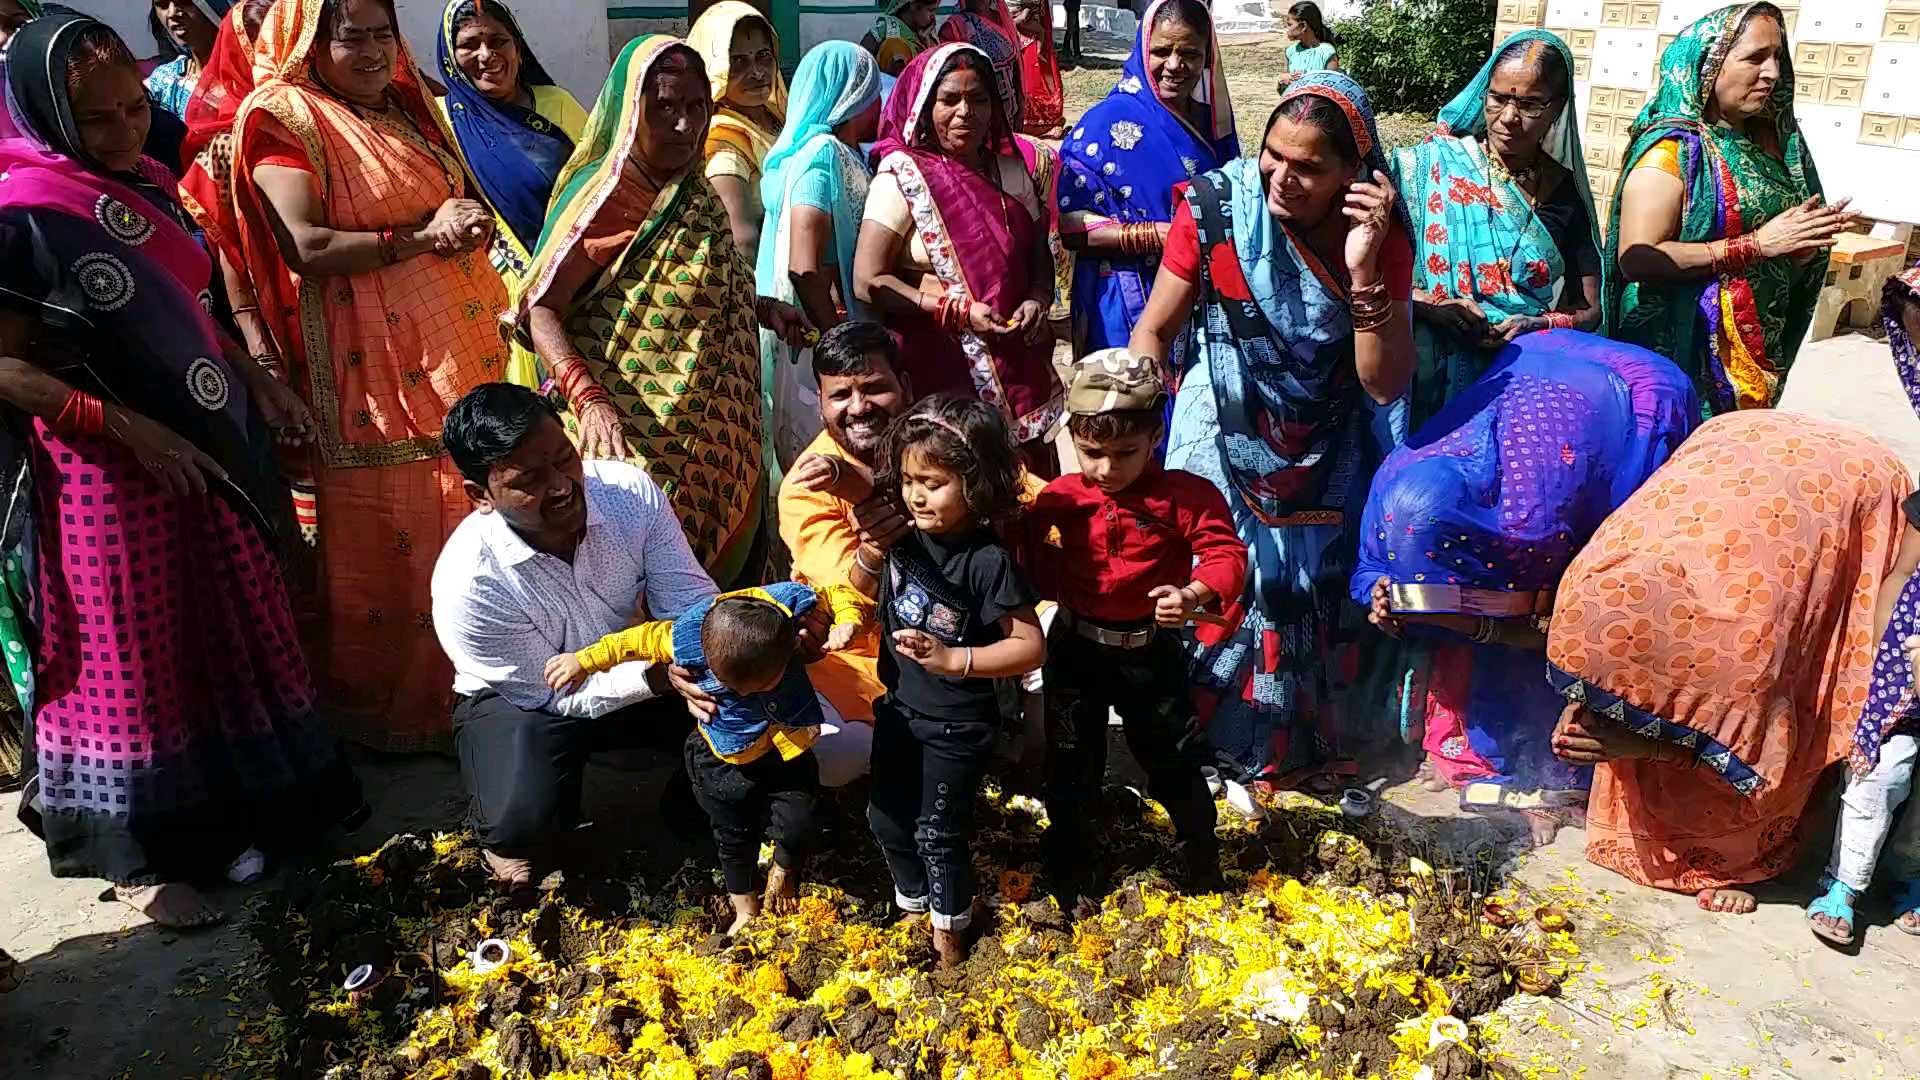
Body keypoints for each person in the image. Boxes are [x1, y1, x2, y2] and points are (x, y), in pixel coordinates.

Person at [0, 12, 364, 927]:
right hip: (101, 476)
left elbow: (198, 305)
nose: (127, 132)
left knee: (230, 623)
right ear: (46, 116)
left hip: (213, 439)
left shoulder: (155, 184)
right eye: (98, 120)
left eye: (133, 108)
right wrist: (128, 428)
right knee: (131, 659)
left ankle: (260, 813)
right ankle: (142, 857)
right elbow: (5, 365)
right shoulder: (25, 213)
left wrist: (261, 381)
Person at [232, 0, 511, 752]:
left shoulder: (402, 107)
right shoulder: (288, 117)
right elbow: (308, 244)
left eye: (382, 32)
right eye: (348, 35)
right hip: (370, 354)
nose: (370, 49)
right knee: (405, 514)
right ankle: (396, 709)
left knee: (468, 497)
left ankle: (479, 688)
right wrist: (423, 234)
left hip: (452, 338)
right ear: (306, 39)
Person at [1128, 73, 1414, 782]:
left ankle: (1282, 751)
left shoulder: (1379, 235)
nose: (1282, 178)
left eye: (1310, 167)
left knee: (1304, 589)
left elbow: (1382, 380)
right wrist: (1131, 424)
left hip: (1324, 437)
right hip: (1221, 416)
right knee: (1217, 573)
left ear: (1356, 172)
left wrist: (1365, 267)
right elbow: (1155, 331)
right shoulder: (1219, 206)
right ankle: (1198, 746)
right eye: (1273, 156)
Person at [1548, 409, 1912, 914]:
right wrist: (1580, 710)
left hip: (1850, 484)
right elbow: (1594, 658)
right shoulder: (1591, 585)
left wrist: (1655, 746)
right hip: (1735, 448)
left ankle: (1745, 862)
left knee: (1812, 661)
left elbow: (1765, 746)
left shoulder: (1747, 646)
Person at [1354, 331, 1697, 843]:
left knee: (1598, 599)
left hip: (1635, 397)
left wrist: (1487, 627)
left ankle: (1556, 779)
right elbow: (1369, 572)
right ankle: (1490, 757)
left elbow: (1565, 622)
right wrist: (1381, 596)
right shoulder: (1395, 486)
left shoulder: (1532, 520)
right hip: (1535, 358)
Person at [515, 35, 804, 588]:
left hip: (722, 429)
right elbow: (540, 307)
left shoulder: (692, 187)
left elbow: (703, 281)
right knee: (649, 579)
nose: (684, 124)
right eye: (664, 107)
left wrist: (763, 308)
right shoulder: (601, 198)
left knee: (729, 595)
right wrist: (589, 400)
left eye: (697, 106)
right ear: (630, 111)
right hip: (640, 430)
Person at [1024, 350, 1244, 911]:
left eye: (1124, 453)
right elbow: (1025, 552)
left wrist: (1191, 595)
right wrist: (1050, 582)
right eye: (1092, 453)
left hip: (1149, 652)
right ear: (1072, 436)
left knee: (1170, 755)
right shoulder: (1062, 498)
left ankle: (1200, 854)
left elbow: (1224, 553)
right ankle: (1071, 865)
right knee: (1071, 758)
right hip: (1075, 648)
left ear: (1155, 436)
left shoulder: (1182, 498)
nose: (1106, 469)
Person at [547, 580, 868, 932]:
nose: (746, 693)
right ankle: (745, 908)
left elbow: (838, 589)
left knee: (801, 819)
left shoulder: (788, 608)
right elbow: (626, 643)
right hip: (722, 756)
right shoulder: (682, 635)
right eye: (735, 686)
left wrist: (847, 621)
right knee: (733, 834)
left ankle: (784, 868)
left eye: (763, 683)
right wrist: (581, 660)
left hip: (786, 744)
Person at [867, 394, 1046, 966]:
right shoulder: (903, 535)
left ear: (976, 485)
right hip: (898, 707)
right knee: (884, 817)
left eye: (933, 483)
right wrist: (871, 551)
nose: (916, 495)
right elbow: (858, 575)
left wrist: (954, 660)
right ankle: (915, 910)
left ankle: (951, 949)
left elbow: (1028, 645)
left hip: (955, 723)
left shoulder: (986, 561)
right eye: (908, 479)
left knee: (938, 833)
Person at [1607, 2, 1851, 415]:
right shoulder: (1674, 151)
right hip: (1685, 356)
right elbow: (1638, 258)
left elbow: (1775, 241)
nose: (1772, 73)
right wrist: (1755, 246)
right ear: (1709, 65)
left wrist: (1802, 247)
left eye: (1777, 57)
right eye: (1755, 58)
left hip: (1756, 349)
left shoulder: (1768, 145)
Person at [854, 43, 1064, 475]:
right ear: (925, 107)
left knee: (1030, 498)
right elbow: (867, 280)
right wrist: (956, 310)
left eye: (978, 99)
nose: (965, 112)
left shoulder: (1010, 170)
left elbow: (1036, 251)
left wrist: (1038, 298)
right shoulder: (903, 176)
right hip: (940, 368)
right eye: (950, 99)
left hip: (1017, 363)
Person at [1392, 30, 1602, 426]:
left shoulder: (1563, 194)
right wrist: (1435, 306)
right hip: (1415, 370)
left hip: (1516, 375)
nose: (1508, 118)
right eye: (1498, 98)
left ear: (1557, 109)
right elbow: (1371, 271)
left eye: (1530, 105)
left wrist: (1537, 324)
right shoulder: (1427, 167)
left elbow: (1589, 309)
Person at [1805, 263, 1920, 945]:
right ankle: (1845, 884)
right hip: (1913, 646)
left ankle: (1909, 883)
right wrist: (1878, 665)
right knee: (1883, 765)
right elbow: (1905, 568)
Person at [1059, 0, 1238, 357]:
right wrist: (1159, 235)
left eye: (1189, 52)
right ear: (1142, 50)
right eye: (1161, 51)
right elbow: (1069, 225)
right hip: (1126, 299)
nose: (1174, 65)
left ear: (1207, 57)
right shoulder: (1104, 123)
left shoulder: (1213, 128)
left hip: (1200, 296)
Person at [435, 0, 588, 391]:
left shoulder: (558, 105)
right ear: (450, 56)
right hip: (487, 300)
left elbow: (600, 185)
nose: (487, 55)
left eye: (498, 40)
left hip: (575, 288)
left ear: (518, 50)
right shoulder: (438, 121)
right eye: (470, 44)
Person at [777, 321, 913, 725]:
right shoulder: (807, 485)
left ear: (904, 385)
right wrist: (874, 548)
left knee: (1049, 625)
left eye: (873, 388)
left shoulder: (935, 438)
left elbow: (1024, 494)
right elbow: (843, 604)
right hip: (857, 659)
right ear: (820, 403)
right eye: (841, 395)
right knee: (844, 752)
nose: (858, 407)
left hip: (958, 636)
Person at [757, 41, 882, 475]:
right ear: (851, 97)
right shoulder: (821, 157)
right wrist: (838, 339)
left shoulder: (849, 155)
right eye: (872, 90)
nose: (880, 100)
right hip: (829, 335)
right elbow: (804, 264)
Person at [179, 0, 278, 408]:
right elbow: (228, 251)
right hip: (275, 314)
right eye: (262, 52)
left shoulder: (324, 117)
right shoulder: (223, 146)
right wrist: (261, 350)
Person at [689, 1, 787, 264]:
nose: (757, 72)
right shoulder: (724, 142)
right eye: (739, 62)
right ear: (714, 68)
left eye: (764, 56)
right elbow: (742, 242)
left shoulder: (778, 120)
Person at [936, 0, 1023, 133]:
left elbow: (1015, 64)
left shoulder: (1004, 19)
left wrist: (1021, 107)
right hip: (975, 116)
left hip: (1009, 114)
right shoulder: (955, 26)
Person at [145, 1, 223, 119]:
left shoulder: (256, 72)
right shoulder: (163, 83)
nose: (171, 13)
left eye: (185, 1)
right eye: (162, 4)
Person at [1008, 0, 1061, 139]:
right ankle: (1033, 123)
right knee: (1029, 82)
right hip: (1021, 36)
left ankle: (1038, 122)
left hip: (1023, 35)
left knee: (1031, 82)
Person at [863, 0, 939, 77]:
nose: (933, 16)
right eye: (931, 10)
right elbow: (862, 60)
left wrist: (926, 41)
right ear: (914, 6)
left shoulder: (929, 32)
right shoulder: (886, 29)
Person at [1277, 2, 1337, 88]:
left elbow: (1334, 89)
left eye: (1290, 24)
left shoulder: (1327, 52)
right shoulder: (1290, 52)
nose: (1287, 29)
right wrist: (1282, 80)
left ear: (1303, 26)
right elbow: (1283, 92)